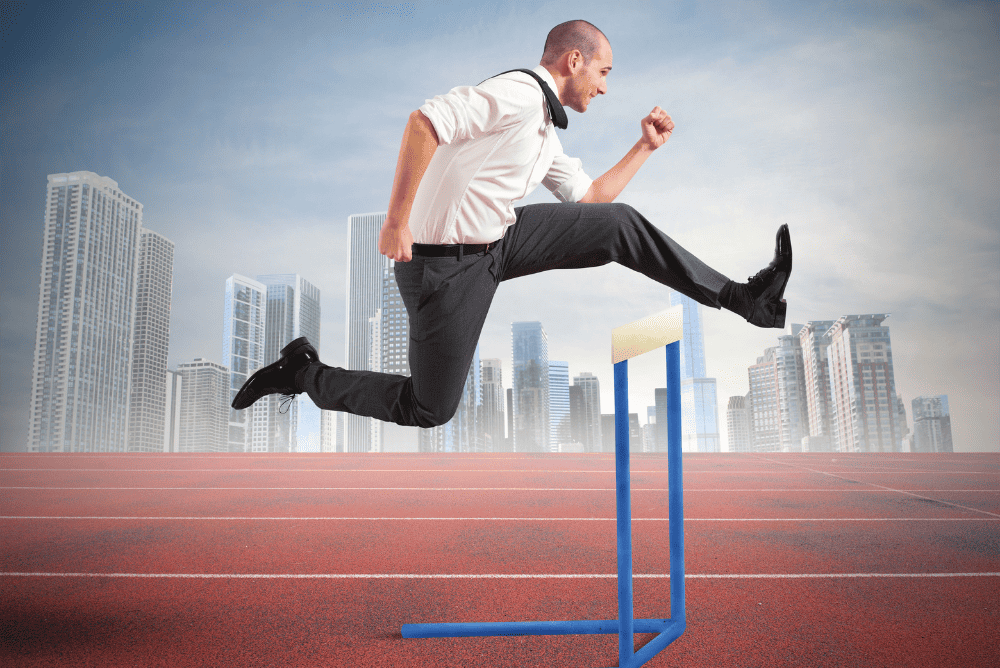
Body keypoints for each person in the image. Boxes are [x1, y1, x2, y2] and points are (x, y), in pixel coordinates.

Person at [232, 20, 793, 430]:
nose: (604, 86)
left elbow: (592, 201)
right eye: (603, 72)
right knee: (430, 408)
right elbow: (424, 122)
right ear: (573, 60)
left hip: (499, 243)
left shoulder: (546, 129)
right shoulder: (519, 95)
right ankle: (303, 373)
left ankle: (744, 298)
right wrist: (396, 222)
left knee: (616, 225)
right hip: (442, 267)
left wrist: (644, 147)